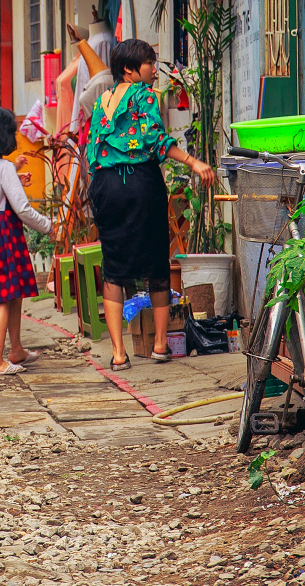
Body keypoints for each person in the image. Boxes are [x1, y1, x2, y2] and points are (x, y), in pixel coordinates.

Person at [85, 37, 216, 370]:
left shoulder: (102, 101)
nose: (153, 69)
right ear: (129, 69)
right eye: (148, 63)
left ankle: (118, 353)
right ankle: (159, 345)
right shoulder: (144, 96)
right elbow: (156, 140)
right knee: (157, 261)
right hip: (140, 184)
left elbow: (92, 151)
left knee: (113, 268)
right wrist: (194, 162)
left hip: (106, 186)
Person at [0, 105, 52, 374]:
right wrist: (49, 227)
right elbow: (23, 209)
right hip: (4, 233)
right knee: (4, 298)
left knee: (11, 294)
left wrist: (14, 174)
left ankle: (16, 350)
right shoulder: (3, 168)